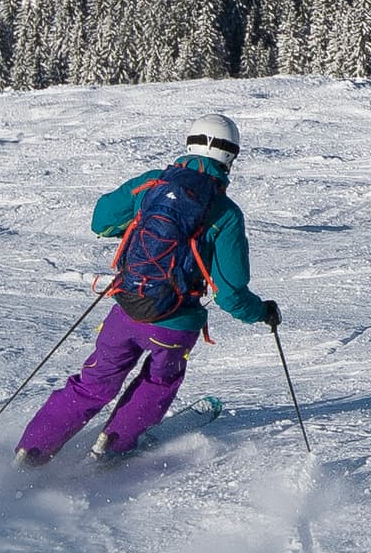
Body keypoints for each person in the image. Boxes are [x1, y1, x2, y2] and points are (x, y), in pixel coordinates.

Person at [20, 108, 280, 467]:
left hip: (127, 308)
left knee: (94, 381)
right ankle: (112, 447)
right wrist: (262, 313)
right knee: (159, 382)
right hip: (175, 322)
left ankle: (32, 449)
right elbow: (231, 292)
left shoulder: (151, 184)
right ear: (231, 156)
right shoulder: (225, 213)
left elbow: (101, 221)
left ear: (189, 144)